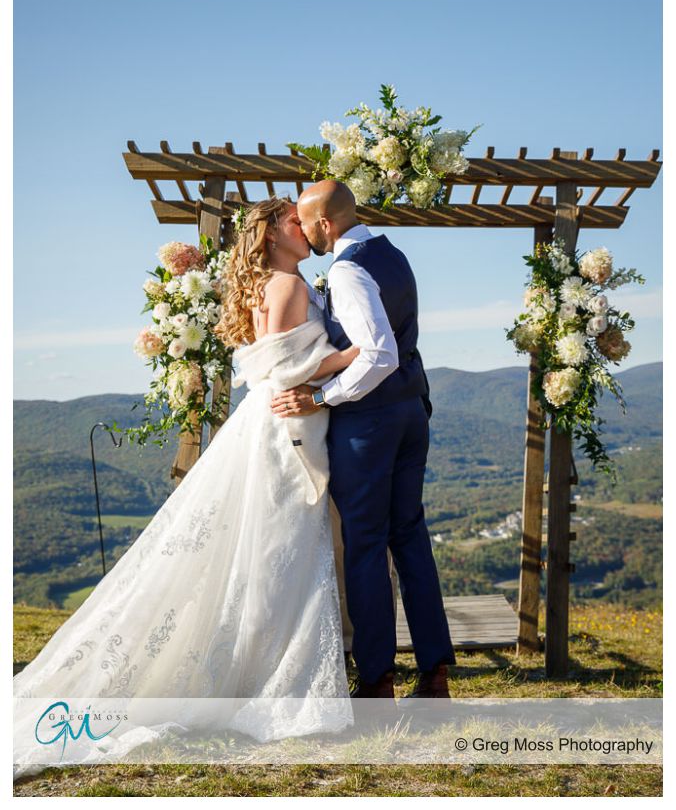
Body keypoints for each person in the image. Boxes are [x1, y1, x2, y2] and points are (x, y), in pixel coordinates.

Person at [13, 197, 356, 780]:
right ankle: (264, 678)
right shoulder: (289, 287)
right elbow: (283, 370)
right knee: (283, 554)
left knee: (267, 554)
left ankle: (253, 664)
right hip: (290, 428)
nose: (303, 226)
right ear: (271, 235)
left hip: (268, 426)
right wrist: (357, 354)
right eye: (291, 221)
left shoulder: (269, 284)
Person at [271, 180, 456, 699]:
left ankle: (376, 677)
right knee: (411, 538)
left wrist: (322, 397)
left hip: (370, 425)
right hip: (411, 414)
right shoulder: (393, 255)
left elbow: (379, 354)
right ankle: (435, 671)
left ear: (325, 223)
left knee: (367, 546)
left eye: (306, 224)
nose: (304, 235)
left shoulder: (348, 270)